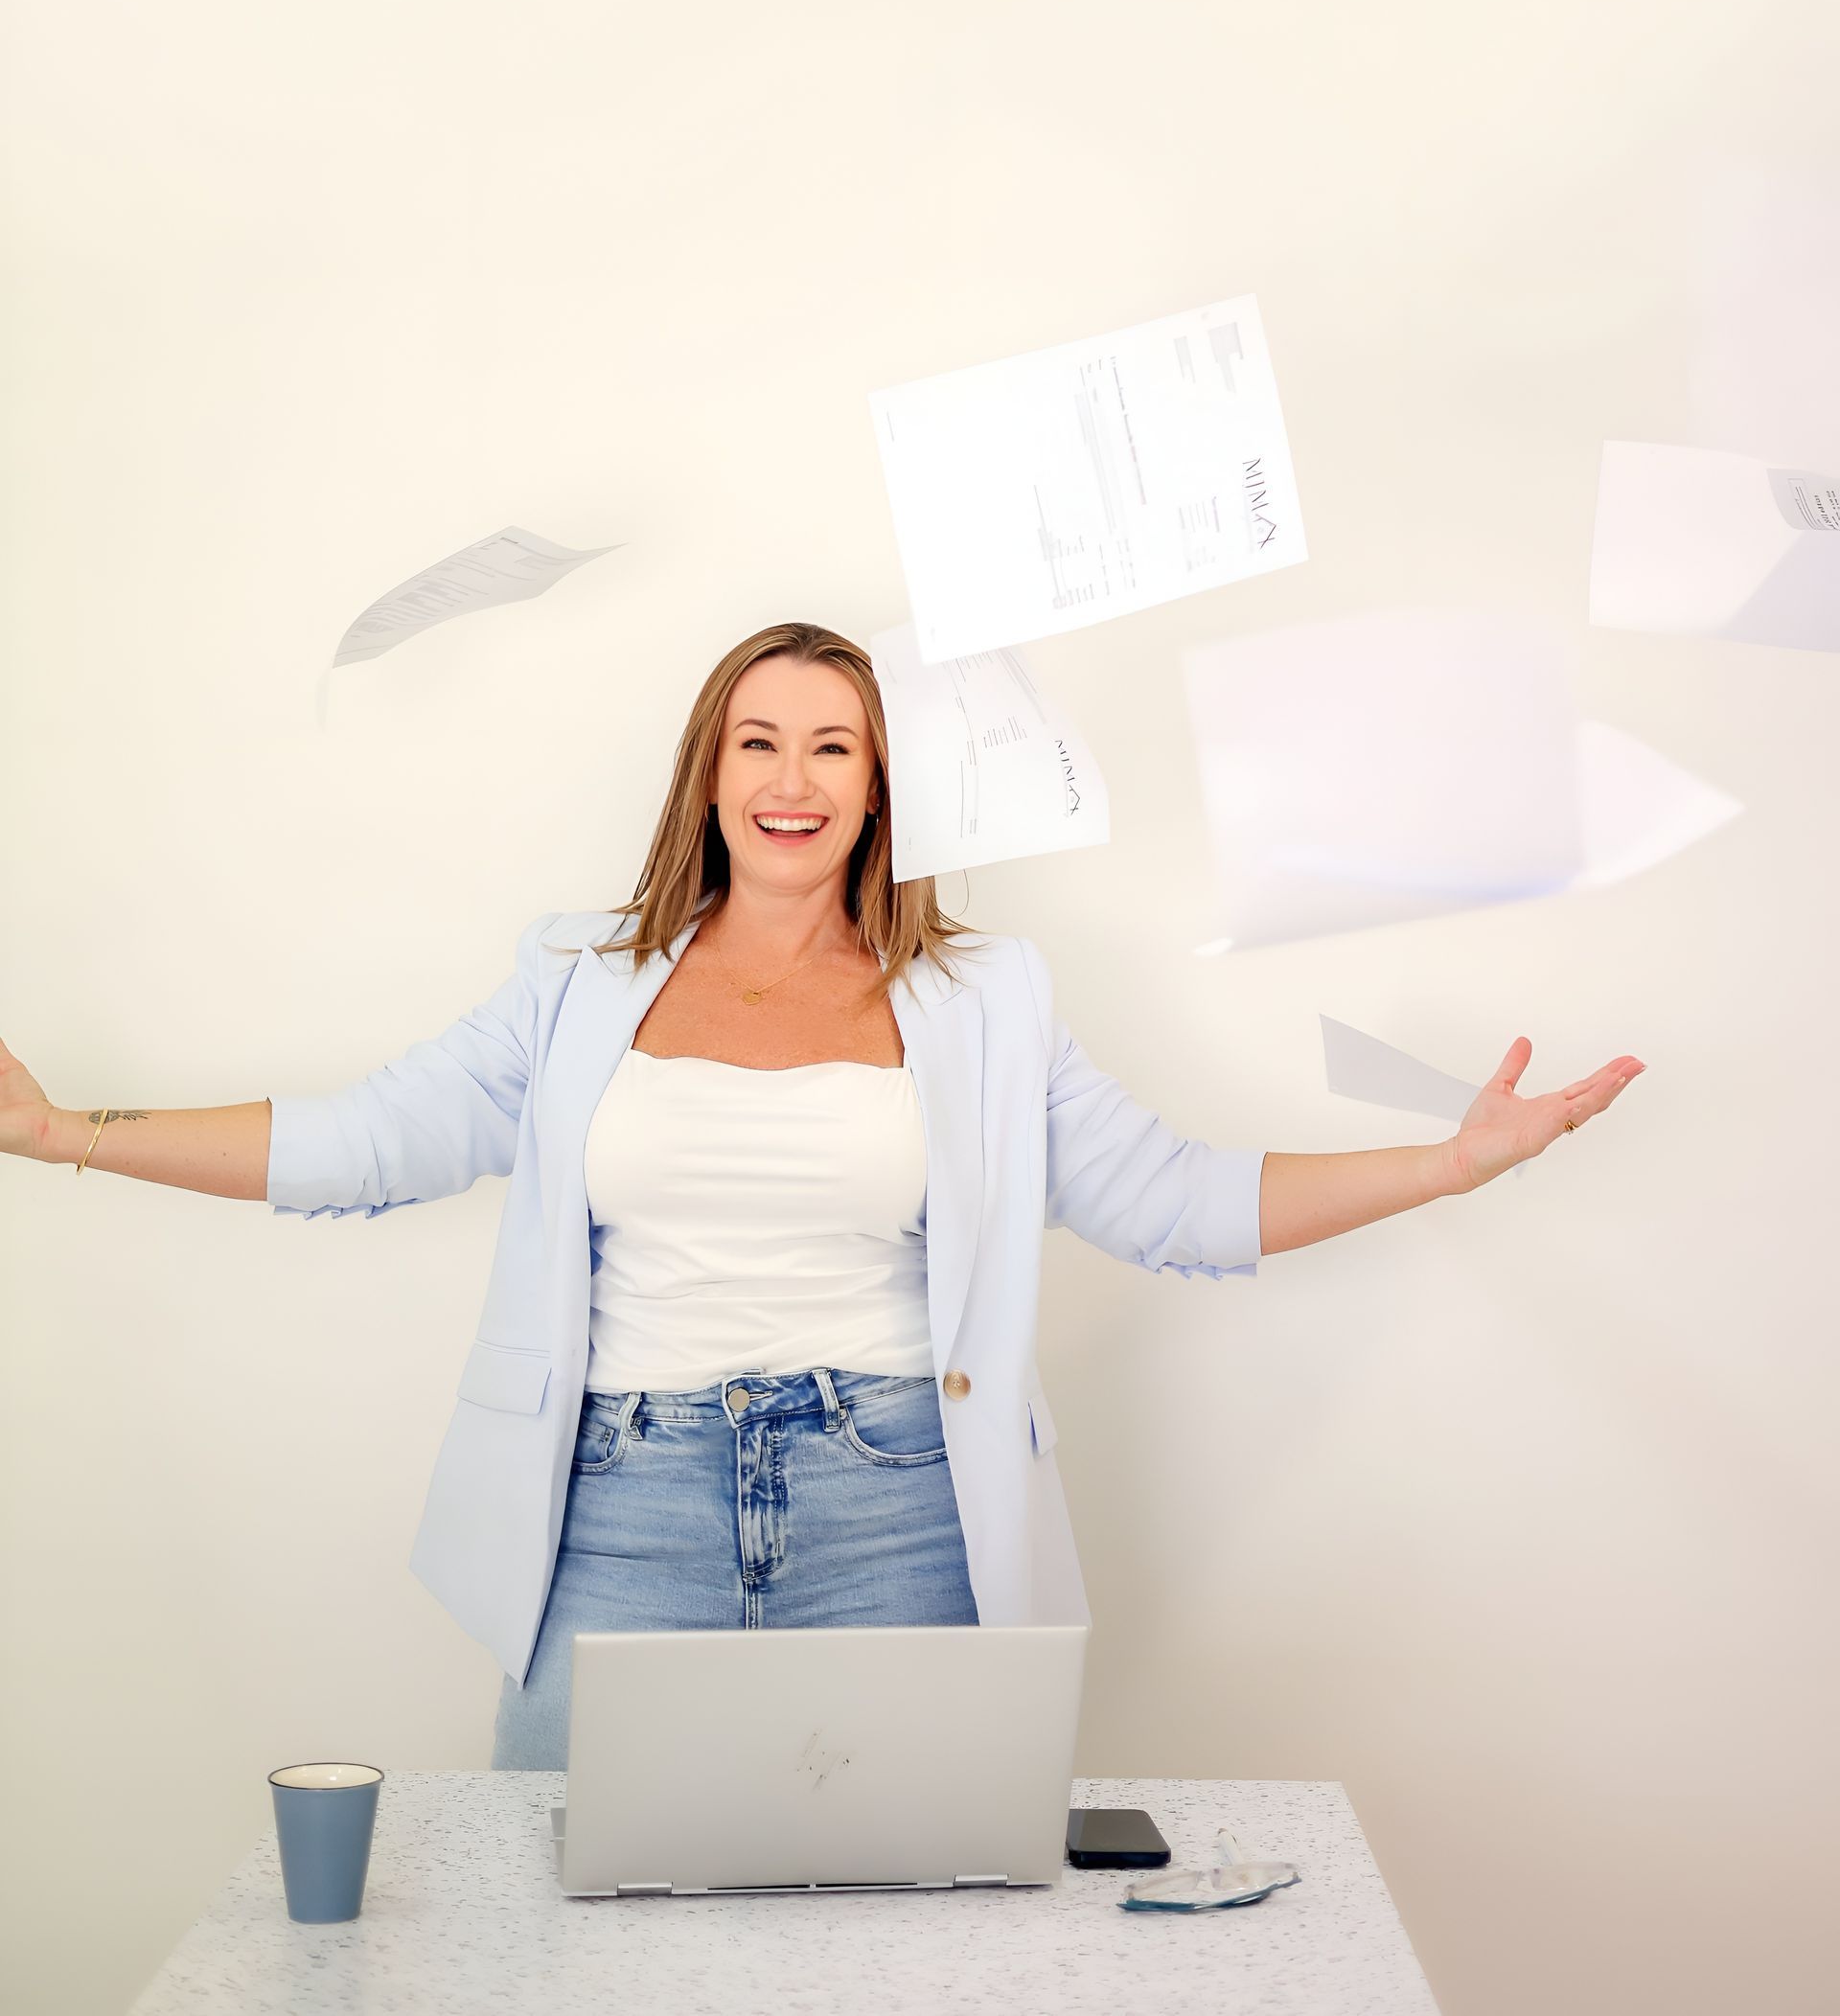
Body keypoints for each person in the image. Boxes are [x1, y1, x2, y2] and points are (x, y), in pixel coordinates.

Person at [0, 620, 1644, 1770]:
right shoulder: (578, 980)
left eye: (836, 744)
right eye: (759, 739)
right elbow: (364, 1144)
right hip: (619, 1507)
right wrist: (68, 1128)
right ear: (707, 772)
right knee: (566, 1914)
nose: (793, 776)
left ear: (884, 785)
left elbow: (1176, 1201)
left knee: (901, 1921)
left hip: (898, 1503)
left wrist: (1453, 1158)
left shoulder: (987, 997)